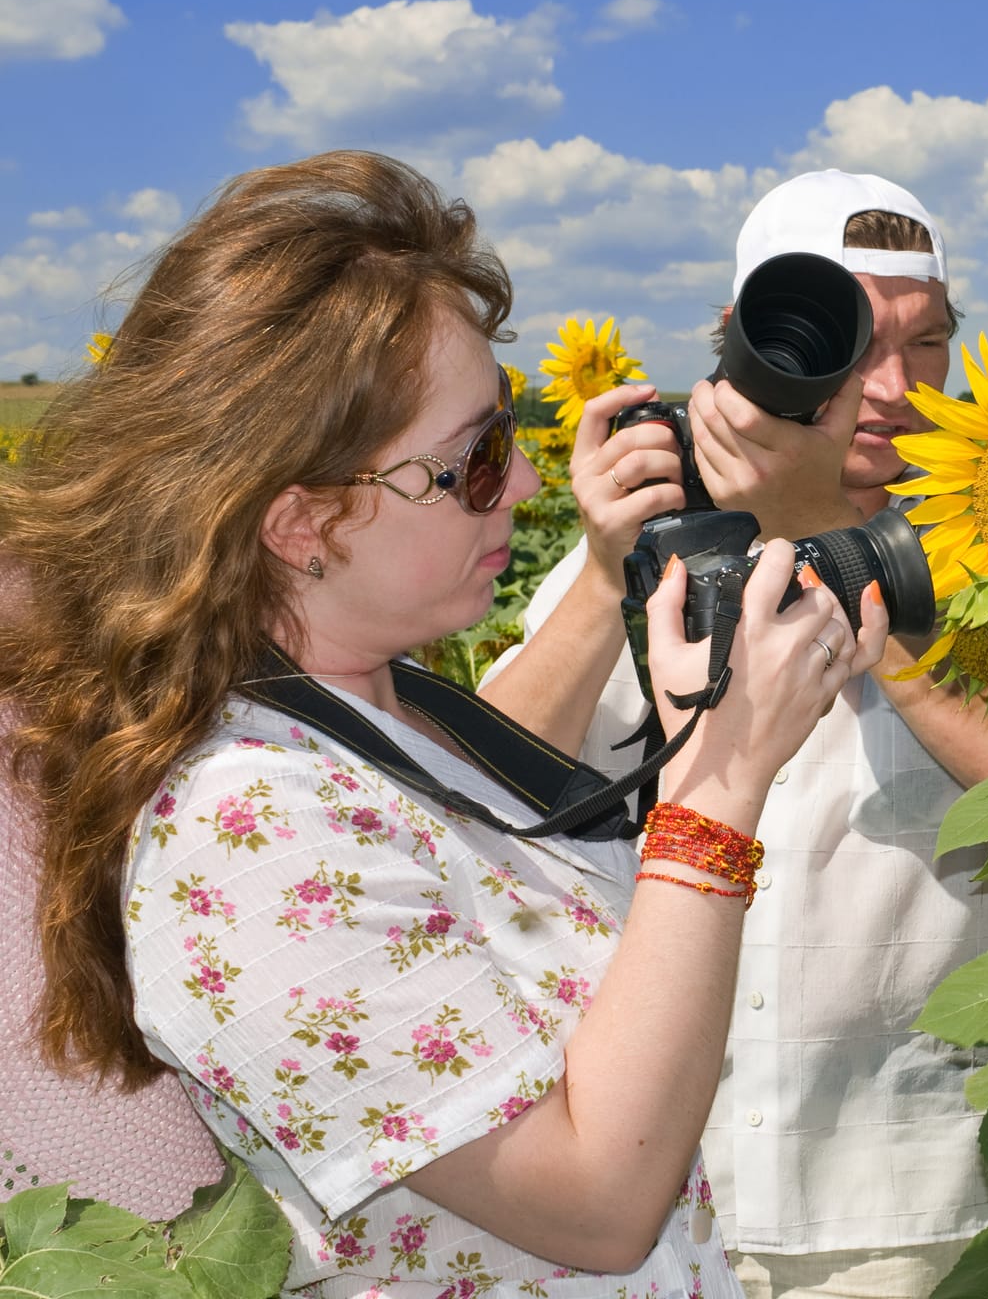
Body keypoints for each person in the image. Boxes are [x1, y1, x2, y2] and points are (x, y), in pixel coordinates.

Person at [0, 150, 885, 1297]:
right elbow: (596, 1202)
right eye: (473, 459)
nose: (522, 488)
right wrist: (717, 780)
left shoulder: (383, 706)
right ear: (300, 520)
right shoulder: (247, 826)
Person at [482, 170, 988, 1298]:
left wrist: (836, 544)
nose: (888, 389)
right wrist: (608, 570)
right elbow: (482, 789)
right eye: (846, 341)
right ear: (745, 355)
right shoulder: (649, 550)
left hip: (907, 1197)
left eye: (927, 343)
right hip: (654, 1193)